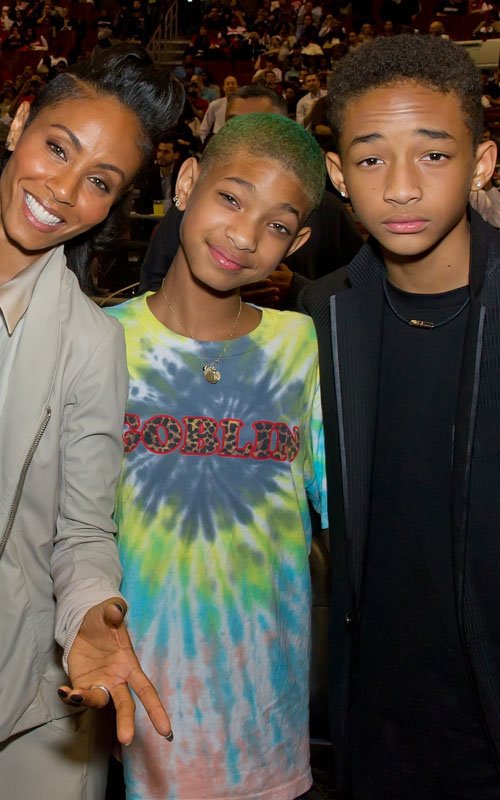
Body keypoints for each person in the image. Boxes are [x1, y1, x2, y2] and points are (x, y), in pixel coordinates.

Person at [300, 33, 500, 799]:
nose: (402, 187)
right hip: (372, 722)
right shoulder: (321, 312)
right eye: (372, 158)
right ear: (338, 174)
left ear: (482, 162)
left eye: (435, 155)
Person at [107, 112, 328, 800]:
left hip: (266, 726)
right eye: (231, 198)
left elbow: (347, 516)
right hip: (129, 713)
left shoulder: (305, 350)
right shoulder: (97, 342)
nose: (244, 235)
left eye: (277, 224)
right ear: (188, 181)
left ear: (299, 241)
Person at [0, 44, 184, 799]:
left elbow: (81, 531)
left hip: (23, 695)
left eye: (99, 181)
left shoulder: (91, 342)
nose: (64, 190)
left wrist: (92, 618)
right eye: (56, 148)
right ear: (18, 124)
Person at [139, 84, 363, 304]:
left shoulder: (327, 209)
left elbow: (361, 291)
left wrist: (297, 289)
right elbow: (151, 284)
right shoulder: (194, 207)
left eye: (279, 227)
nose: (244, 237)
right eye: (233, 123)